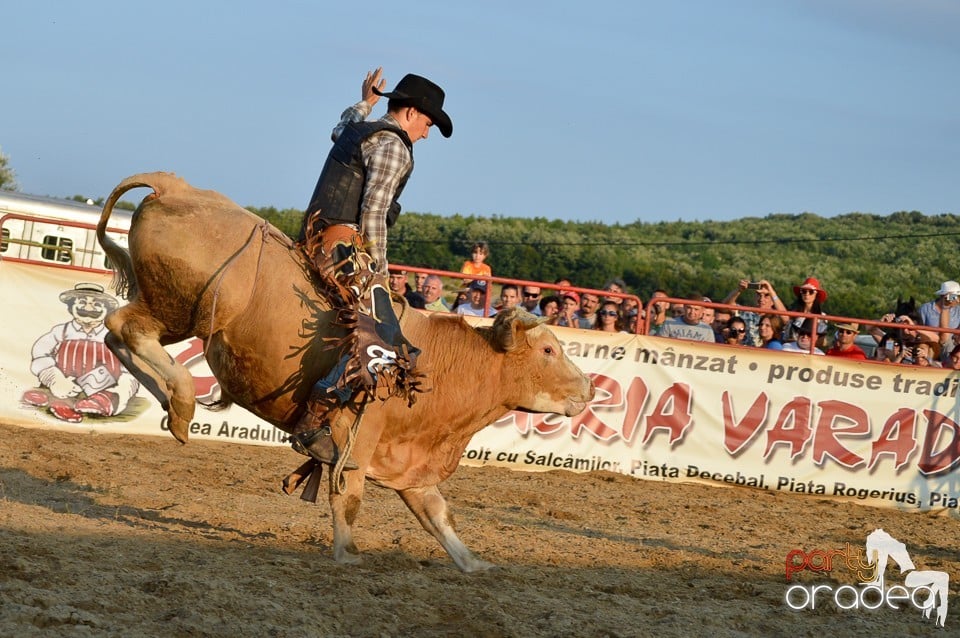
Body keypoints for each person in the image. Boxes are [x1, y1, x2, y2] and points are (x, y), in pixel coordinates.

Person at [293, 68, 453, 470]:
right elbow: (375, 213)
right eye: (428, 124)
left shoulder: (362, 129)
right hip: (342, 243)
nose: (427, 134)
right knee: (379, 334)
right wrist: (378, 273)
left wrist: (365, 101)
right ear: (412, 113)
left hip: (312, 233)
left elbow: (339, 126)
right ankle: (314, 420)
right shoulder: (395, 147)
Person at [723, 279, 787, 347]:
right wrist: (739, 290)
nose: (761, 299)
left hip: (763, 354)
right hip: (742, 352)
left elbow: (786, 319)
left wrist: (771, 291)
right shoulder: (745, 312)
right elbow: (724, 307)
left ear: (772, 301)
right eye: (758, 295)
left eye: (766, 296)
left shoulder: (775, 318)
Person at [783, 277, 828, 345]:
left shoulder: (822, 317)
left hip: (809, 350)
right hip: (790, 347)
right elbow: (787, 336)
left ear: (816, 294)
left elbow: (821, 341)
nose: (807, 294)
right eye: (804, 291)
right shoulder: (793, 313)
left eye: (811, 292)